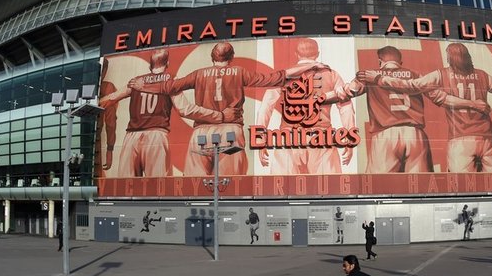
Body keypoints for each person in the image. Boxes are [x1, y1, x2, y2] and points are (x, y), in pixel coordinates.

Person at [131, 42, 323, 176]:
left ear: (212, 57)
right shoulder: (239, 72)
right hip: (230, 131)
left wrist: (142, 86)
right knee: (230, 185)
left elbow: (169, 87)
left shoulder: (198, 74)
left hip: (201, 132)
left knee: (195, 186)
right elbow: (275, 78)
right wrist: (311, 65)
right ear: (231, 57)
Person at [356, 42, 492, 173]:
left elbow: (412, 86)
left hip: (460, 139)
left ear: (449, 58)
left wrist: (379, 78)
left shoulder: (441, 74)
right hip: (487, 137)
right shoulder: (483, 75)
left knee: (460, 187)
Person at [100, 49, 236, 177]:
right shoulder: (169, 81)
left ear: (150, 66)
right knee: (159, 189)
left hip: (131, 137)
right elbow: (185, 110)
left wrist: (91, 103)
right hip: (156, 136)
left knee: (125, 188)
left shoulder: (137, 81)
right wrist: (220, 115)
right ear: (167, 64)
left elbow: (111, 98)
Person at [324, 45, 433, 173]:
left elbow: (345, 93)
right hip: (416, 134)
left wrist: (321, 98)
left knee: (380, 185)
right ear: (400, 63)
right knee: (420, 186)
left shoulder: (369, 75)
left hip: (386, 134)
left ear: (380, 62)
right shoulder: (416, 75)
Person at [255, 38, 356, 174]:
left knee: (282, 191)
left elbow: (265, 107)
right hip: (321, 138)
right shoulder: (331, 74)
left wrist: (260, 139)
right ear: (317, 54)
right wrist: (350, 138)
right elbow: (346, 107)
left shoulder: (284, 75)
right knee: (329, 190)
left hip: (289, 138)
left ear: (297, 54)